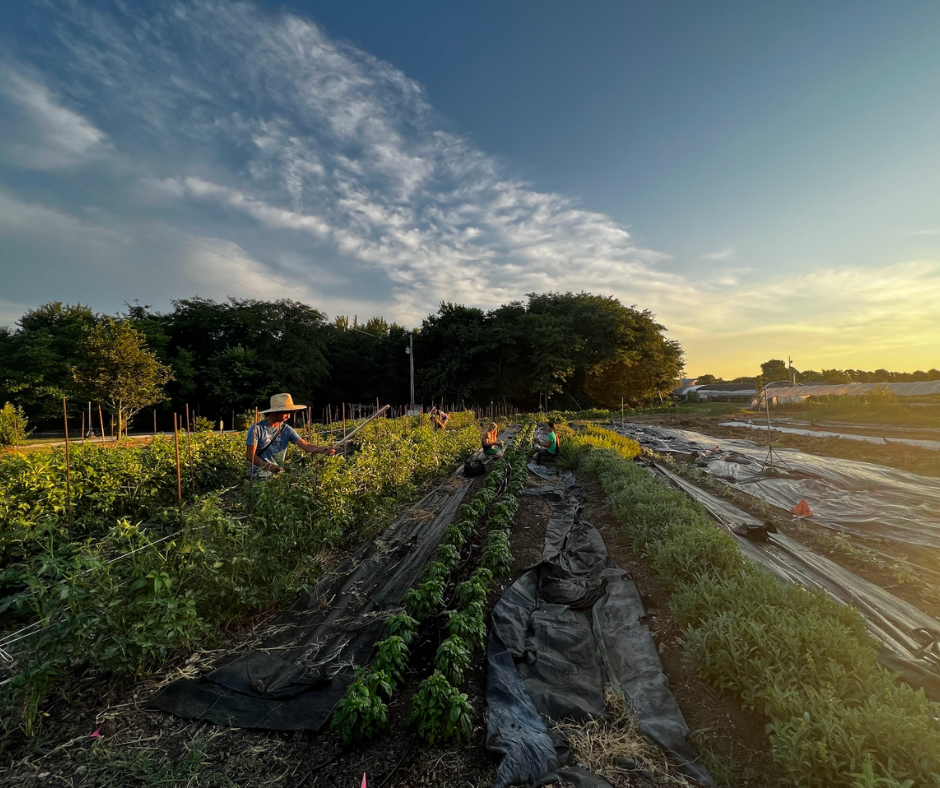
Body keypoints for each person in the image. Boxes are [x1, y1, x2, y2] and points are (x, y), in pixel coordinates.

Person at [246, 393, 334, 477]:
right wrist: (268, 466)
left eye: (290, 413)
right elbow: (250, 456)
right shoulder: (257, 429)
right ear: (276, 412)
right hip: (258, 475)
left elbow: (305, 446)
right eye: (286, 413)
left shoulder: (287, 430)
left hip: (276, 476)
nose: (288, 416)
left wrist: (324, 450)